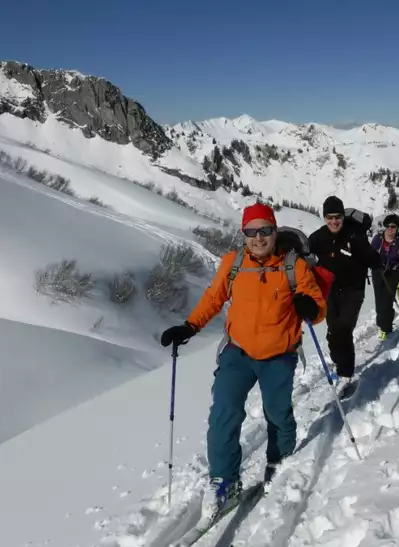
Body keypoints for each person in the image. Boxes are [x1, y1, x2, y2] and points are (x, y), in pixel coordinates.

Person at [160, 202, 327, 521]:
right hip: (238, 352)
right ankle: (224, 479)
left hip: (279, 354)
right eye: (251, 232)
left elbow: (318, 309)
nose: (259, 237)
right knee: (223, 411)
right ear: (244, 234)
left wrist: (311, 308)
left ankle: (278, 462)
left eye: (265, 230)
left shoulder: (294, 266)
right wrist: (190, 326)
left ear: (275, 232)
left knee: (278, 413)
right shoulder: (233, 264)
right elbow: (214, 298)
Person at [309, 196, 381, 385]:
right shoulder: (318, 238)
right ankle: (339, 359)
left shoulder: (354, 235)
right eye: (330, 217)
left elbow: (371, 256)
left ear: (342, 216)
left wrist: (375, 262)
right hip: (329, 291)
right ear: (324, 218)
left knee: (343, 329)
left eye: (338, 217)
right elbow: (304, 255)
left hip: (353, 289)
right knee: (334, 331)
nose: (334, 221)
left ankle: (346, 373)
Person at [370, 214, 399, 339]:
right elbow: (370, 254)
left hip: (393, 272)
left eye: (393, 227)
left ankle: (386, 328)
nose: (390, 229)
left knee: (387, 300)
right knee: (379, 301)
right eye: (388, 226)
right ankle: (382, 323)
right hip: (378, 272)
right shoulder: (378, 239)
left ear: (397, 228)